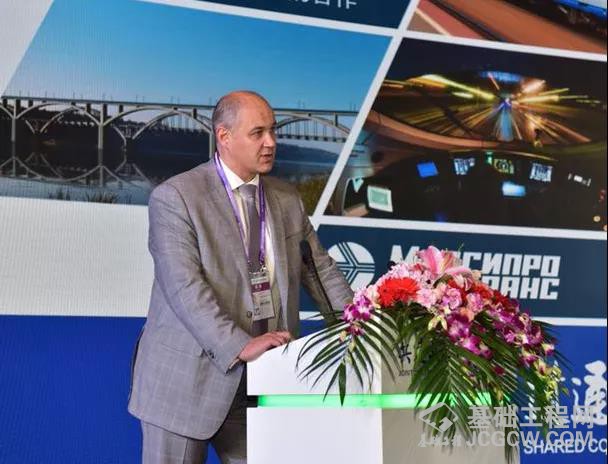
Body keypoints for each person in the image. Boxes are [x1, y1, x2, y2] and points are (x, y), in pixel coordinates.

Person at [128, 90, 353, 464]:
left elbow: (321, 271)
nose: (271, 142)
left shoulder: (287, 199)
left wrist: (361, 326)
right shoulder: (176, 197)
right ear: (224, 136)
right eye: (258, 133)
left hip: (264, 379)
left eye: (273, 131)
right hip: (187, 381)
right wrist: (238, 345)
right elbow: (184, 287)